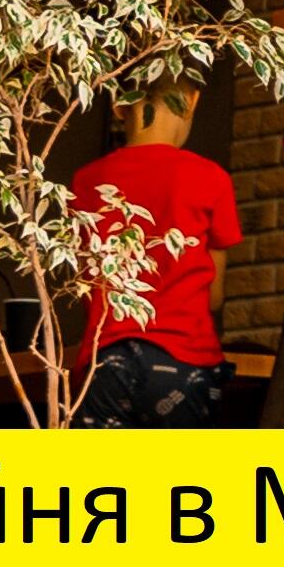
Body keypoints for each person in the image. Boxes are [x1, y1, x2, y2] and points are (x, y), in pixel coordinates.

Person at [66, 73, 243, 428]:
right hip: (183, 361)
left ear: (118, 106)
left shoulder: (86, 181)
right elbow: (214, 297)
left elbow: (84, 284)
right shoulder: (210, 179)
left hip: (106, 361)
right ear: (192, 100)